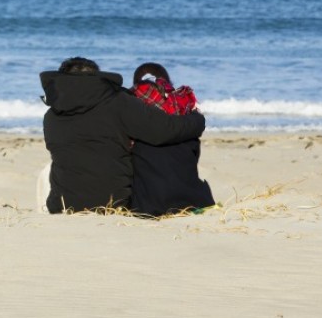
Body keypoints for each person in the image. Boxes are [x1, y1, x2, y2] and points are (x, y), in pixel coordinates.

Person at [39, 57, 205, 213]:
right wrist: (197, 120)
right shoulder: (118, 102)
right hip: (113, 205)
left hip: (62, 206)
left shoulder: (51, 117)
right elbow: (165, 130)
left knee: (54, 167)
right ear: (97, 78)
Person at [128, 62, 216, 217]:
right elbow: (193, 158)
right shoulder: (187, 115)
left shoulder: (131, 120)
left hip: (149, 205)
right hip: (194, 200)